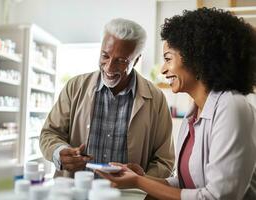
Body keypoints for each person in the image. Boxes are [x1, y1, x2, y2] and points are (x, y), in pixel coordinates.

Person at [97, 8, 256, 200]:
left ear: (196, 58)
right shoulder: (193, 115)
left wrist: (139, 182)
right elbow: (185, 183)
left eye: (168, 59)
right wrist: (139, 177)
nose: (163, 69)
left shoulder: (231, 106)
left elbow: (217, 197)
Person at [39, 18, 175, 178]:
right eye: (105, 56)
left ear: (136, 60)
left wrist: (141, 180)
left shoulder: (156, 99)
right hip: (76, 191)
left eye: (121, 60)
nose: (109, 67)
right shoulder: (75, 86)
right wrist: (59, 151)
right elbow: (49, 133)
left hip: (129, 196)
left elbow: (164, 160)